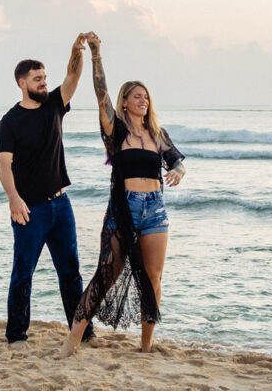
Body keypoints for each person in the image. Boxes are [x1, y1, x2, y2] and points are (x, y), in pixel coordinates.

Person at [62, 32, 186, 356]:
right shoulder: (115, 131)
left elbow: (178, 163)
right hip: (124, 210)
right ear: (125, 102)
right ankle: (72, 341)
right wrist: (96, 55)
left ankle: (146, 345)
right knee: (105, 276)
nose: (143, 100)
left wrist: (176, 172)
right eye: (136, 96)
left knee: (154, 279)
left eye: (145, 96)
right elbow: (101, 93)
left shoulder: (158, 134)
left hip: (155, 210)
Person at [0, 34, 96, 345]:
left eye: (44, 78)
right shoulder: (10, 121)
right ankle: (16, 336)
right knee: (23, 273)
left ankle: (82, 331)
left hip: (61, 205)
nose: (43, 83)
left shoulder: (54, 105)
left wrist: (76, 51)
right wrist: (14, 199)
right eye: (37, 79)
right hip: (30, 209)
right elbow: (4, 164)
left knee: (71, 273)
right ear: (22, 83)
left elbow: (73, 75)